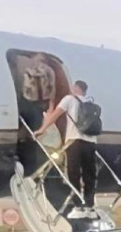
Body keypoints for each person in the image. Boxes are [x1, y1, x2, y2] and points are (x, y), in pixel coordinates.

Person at [36, 80, 98, 219]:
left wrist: (42, 129)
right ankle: (90, 206)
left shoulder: (69, 99)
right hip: (91, 142)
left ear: (75, 88)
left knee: (73, 173)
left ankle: (78, 205)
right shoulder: (90, 103)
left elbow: (55, 115)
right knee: (89, 175)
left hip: (74, 141)